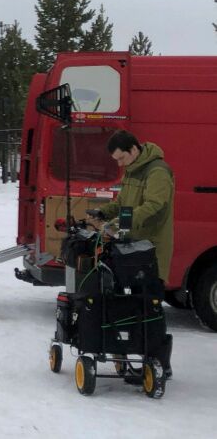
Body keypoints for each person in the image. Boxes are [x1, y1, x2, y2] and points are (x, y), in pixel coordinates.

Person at [88, 129, 174, 378]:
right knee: (131, 303)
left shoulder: (157, 171)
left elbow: (154, 206)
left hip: (151, 250)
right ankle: (136, 354)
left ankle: (159, 363)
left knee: (151, 306)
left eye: (121, 158)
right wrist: (104, 213)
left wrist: (119, 224)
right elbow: (124, 204)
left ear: (134, 150)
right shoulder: (132, 170)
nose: (119, 163)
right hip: (132, 249)